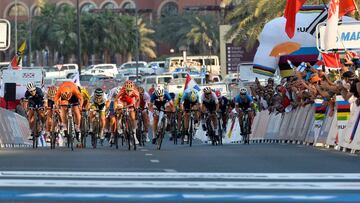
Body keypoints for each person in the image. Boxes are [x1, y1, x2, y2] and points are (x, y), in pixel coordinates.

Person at [115, 80, 140, 144]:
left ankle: (134, 135)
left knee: (132, 116)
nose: (129, 92)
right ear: (125, 89)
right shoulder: (122, 91)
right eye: (127, 90)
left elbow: (138, 100)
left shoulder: (135, 92)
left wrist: (136, 107)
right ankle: (119, 123)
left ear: (132, 89)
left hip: (131, 100)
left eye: (130, 90)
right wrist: (116, 108)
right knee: (120, 110)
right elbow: (116, 100)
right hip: (122, 100)